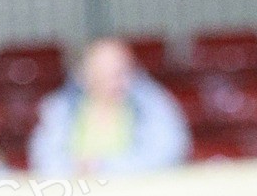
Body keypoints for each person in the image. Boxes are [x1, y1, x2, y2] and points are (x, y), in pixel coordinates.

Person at [28, 38, 191, 178]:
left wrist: (103, 167)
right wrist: (73, 169)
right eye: (103, 74)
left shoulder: (152, 104)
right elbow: (44, 158)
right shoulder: (61, 109)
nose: (116, 81)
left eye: (121, 72)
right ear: (84, 76)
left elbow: (168, 152)